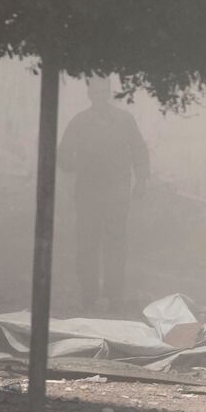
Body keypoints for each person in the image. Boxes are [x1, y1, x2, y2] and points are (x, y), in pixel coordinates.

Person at [58, 78, 150, 313]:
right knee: (87, 244)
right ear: (89, 94)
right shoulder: (80, 122)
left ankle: (115, 298)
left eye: (103, 92)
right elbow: (64, 155)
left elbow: (139, 149)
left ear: (109, 94)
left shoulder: (124, 120)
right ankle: (88, 296)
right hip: (88, 192)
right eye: (94, 92)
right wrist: (82, 163)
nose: (99, 96)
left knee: (116, 245)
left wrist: (142, 179)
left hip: (117, 192)